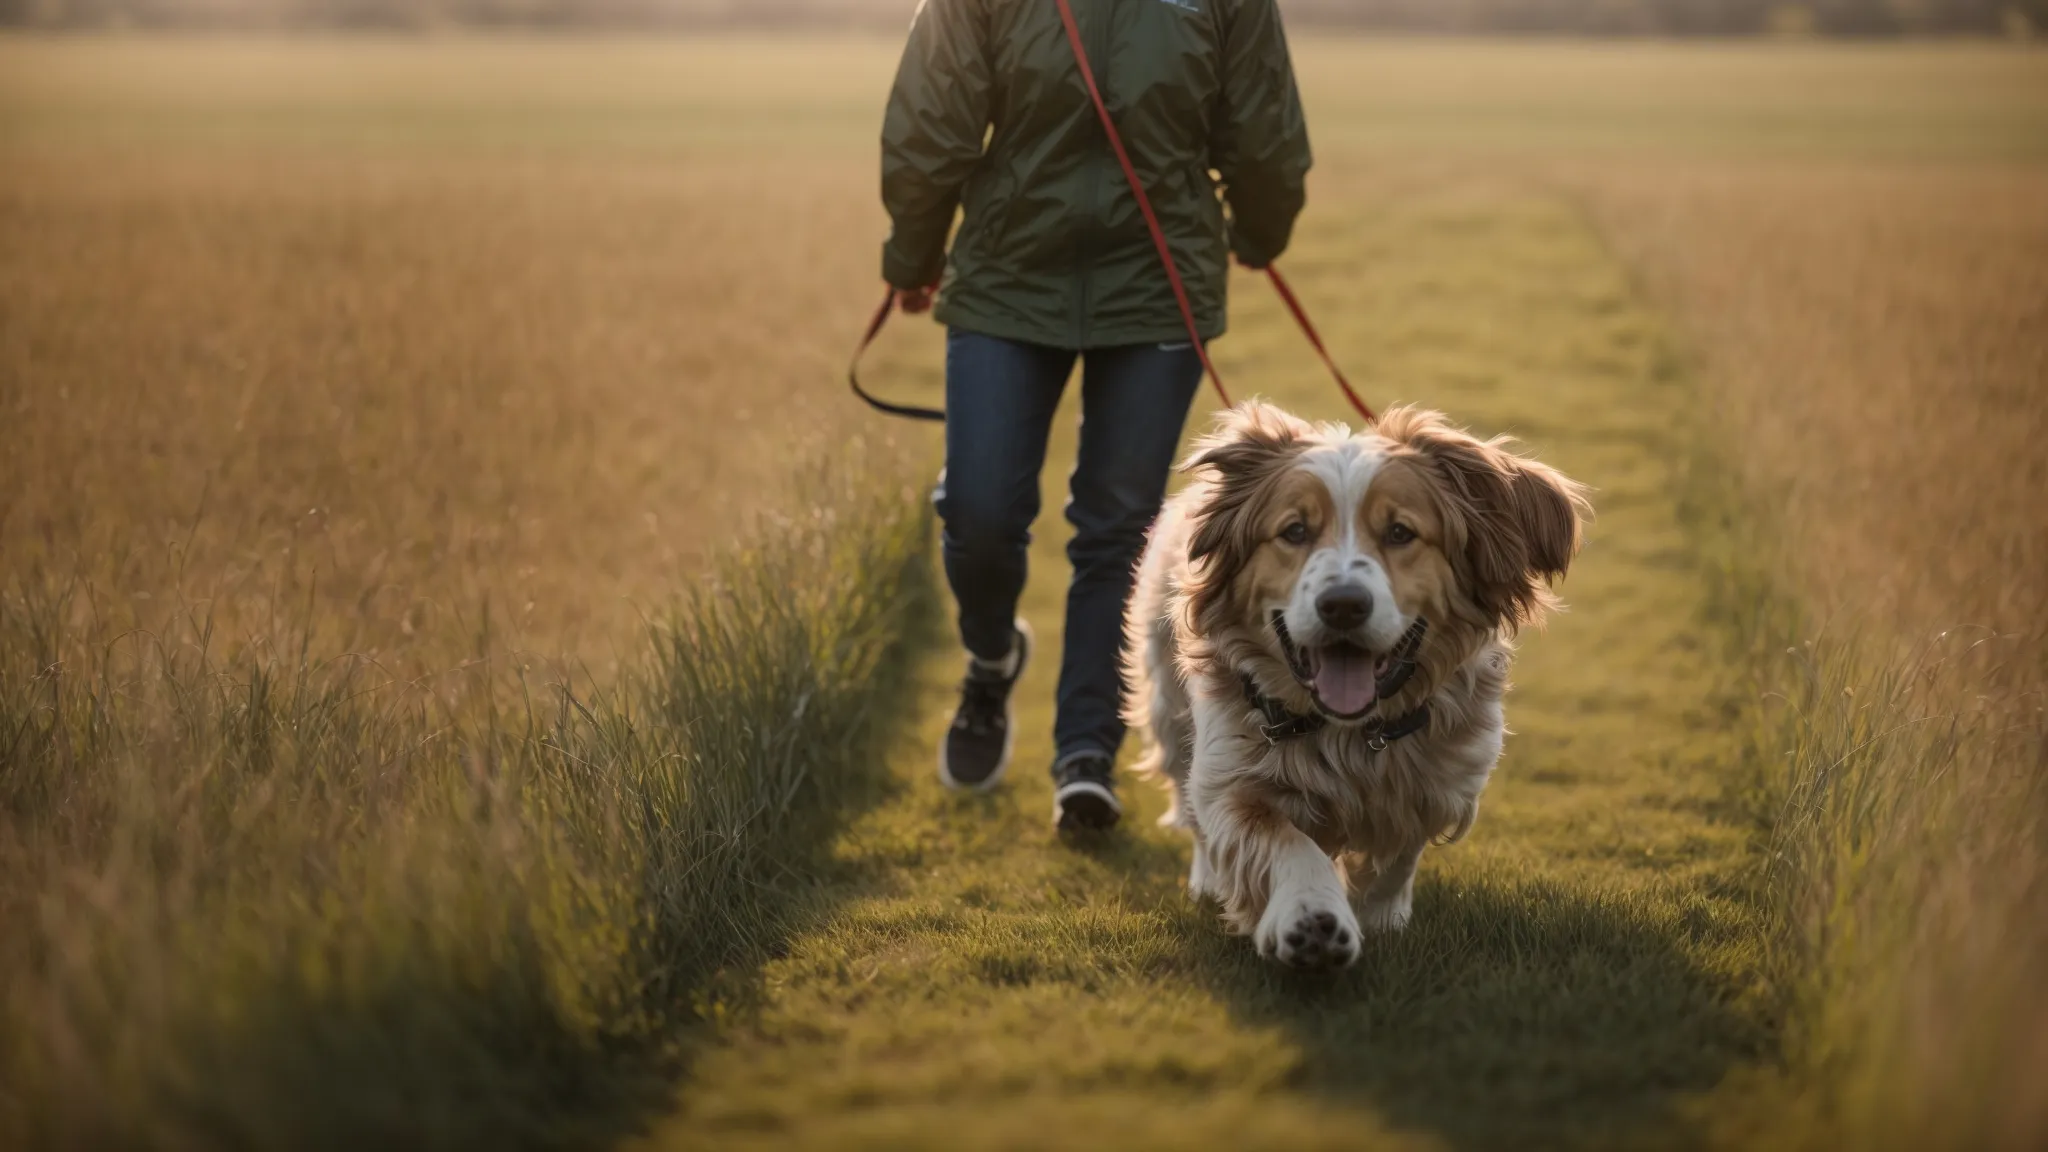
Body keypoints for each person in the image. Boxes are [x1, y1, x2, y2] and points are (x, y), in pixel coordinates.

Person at [880, 0, 1311, 832]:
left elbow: (1261, 126)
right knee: (980, 514)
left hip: (1158, 288)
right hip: (1007, 277)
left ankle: (1085, 757)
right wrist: (914, 251)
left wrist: (1259, 231)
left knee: (1118, 525)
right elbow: (934, 115)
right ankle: (991, 657)